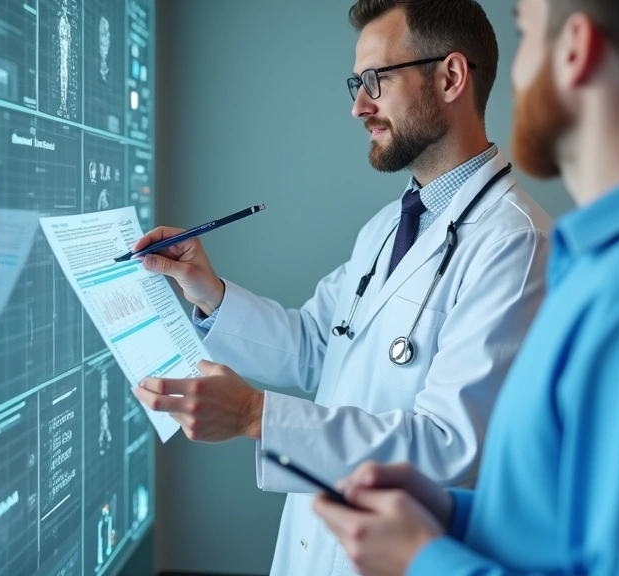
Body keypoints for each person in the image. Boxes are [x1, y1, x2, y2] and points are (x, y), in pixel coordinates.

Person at [312, 0, 619, 574]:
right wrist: (447, 515)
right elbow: (578, 532)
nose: (511, 74)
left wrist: (424, 560)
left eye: (525, 33)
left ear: (575, 49)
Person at [131, 1, 552, 574]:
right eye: (358, 83)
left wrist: (257, 416)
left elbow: (448, 451)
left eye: (376, 80)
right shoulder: (389, 226)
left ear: (451, 76)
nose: (358, 106)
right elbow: (315, 346)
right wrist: (206, 290)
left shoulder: (513, 242)